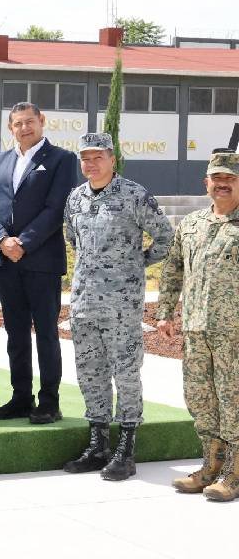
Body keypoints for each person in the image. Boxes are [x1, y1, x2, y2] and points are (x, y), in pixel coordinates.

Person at [62, 133, 173, 481]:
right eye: (85, 158)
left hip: (121, 306)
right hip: (84, 302)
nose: (91, 163)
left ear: (113, 159)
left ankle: (126, 448)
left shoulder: (134, 195)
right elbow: (73, 239)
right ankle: (98, 445)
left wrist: (136, 263)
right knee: (90, 373)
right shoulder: (75, 198)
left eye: (98, 157)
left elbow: (165, 236)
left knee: (125, 374)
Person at [0, 102, 77, 424]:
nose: (24, 128)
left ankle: (49, 401)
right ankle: (21, 397)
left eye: (29, 122)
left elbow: (56, 208)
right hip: (6, 261)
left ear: (42, 121)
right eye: (18, 124)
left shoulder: (61, 159)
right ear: (10, 128)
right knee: (16, 333)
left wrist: (23, 242)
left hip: (41, 261)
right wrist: (2, 241)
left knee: (46, 333)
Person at [157, 149, 239, 501]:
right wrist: (164, 311)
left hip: (233, 333)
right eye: (217, 178)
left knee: (233, 400)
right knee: (200, 398)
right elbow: (173, 269)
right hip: (195, 330)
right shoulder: (191, 224)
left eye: (230, 179)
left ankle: (235, 473)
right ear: (206, 183)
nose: (222, 184)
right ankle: (211, 465)